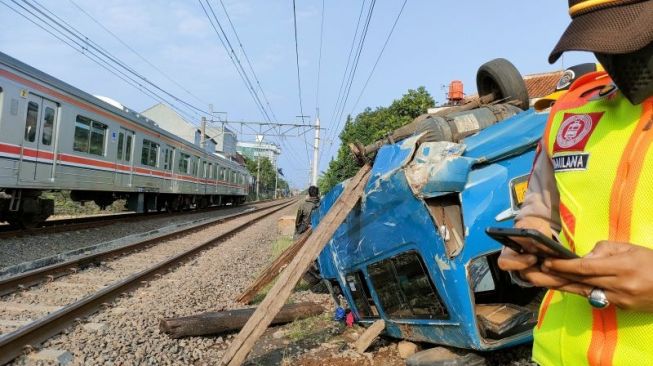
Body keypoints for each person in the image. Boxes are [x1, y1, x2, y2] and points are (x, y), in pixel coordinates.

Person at [497, 1, 653, 365]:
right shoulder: (571, 112)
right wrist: (530, 253)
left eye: (632, 37)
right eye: (600, 38)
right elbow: (539, 217)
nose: (614, 56)